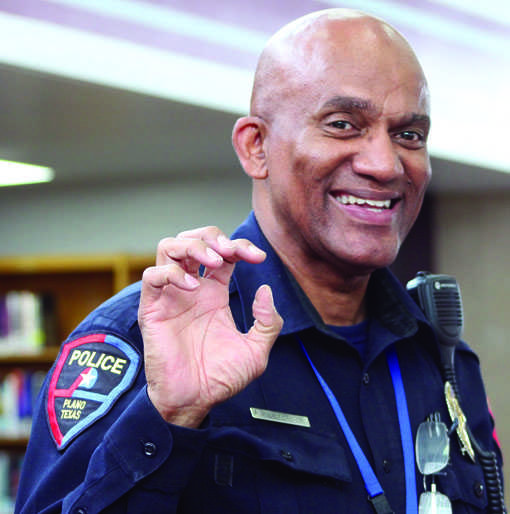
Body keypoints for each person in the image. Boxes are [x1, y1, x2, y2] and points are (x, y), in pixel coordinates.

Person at [16, 8, 502, 514]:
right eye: (342, 125)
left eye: (409, 135)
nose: (384, 164)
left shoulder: (440, 356)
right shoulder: (151, 341)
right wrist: (169, 416)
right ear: (256, 147)